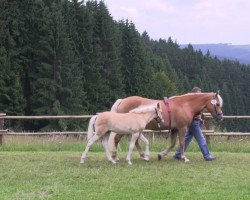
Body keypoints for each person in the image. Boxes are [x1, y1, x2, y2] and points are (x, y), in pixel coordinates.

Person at [173, 87, 215, 161]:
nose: (200, 95)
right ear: (194, 93)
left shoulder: (194, 102)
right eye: (198, 93)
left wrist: (200, 117)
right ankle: (207, 155)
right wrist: (198, 118)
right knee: (201, 139)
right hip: (193, 122)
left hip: (194, 121)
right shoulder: (193, 102)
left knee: (187, 139)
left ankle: (178, 154)